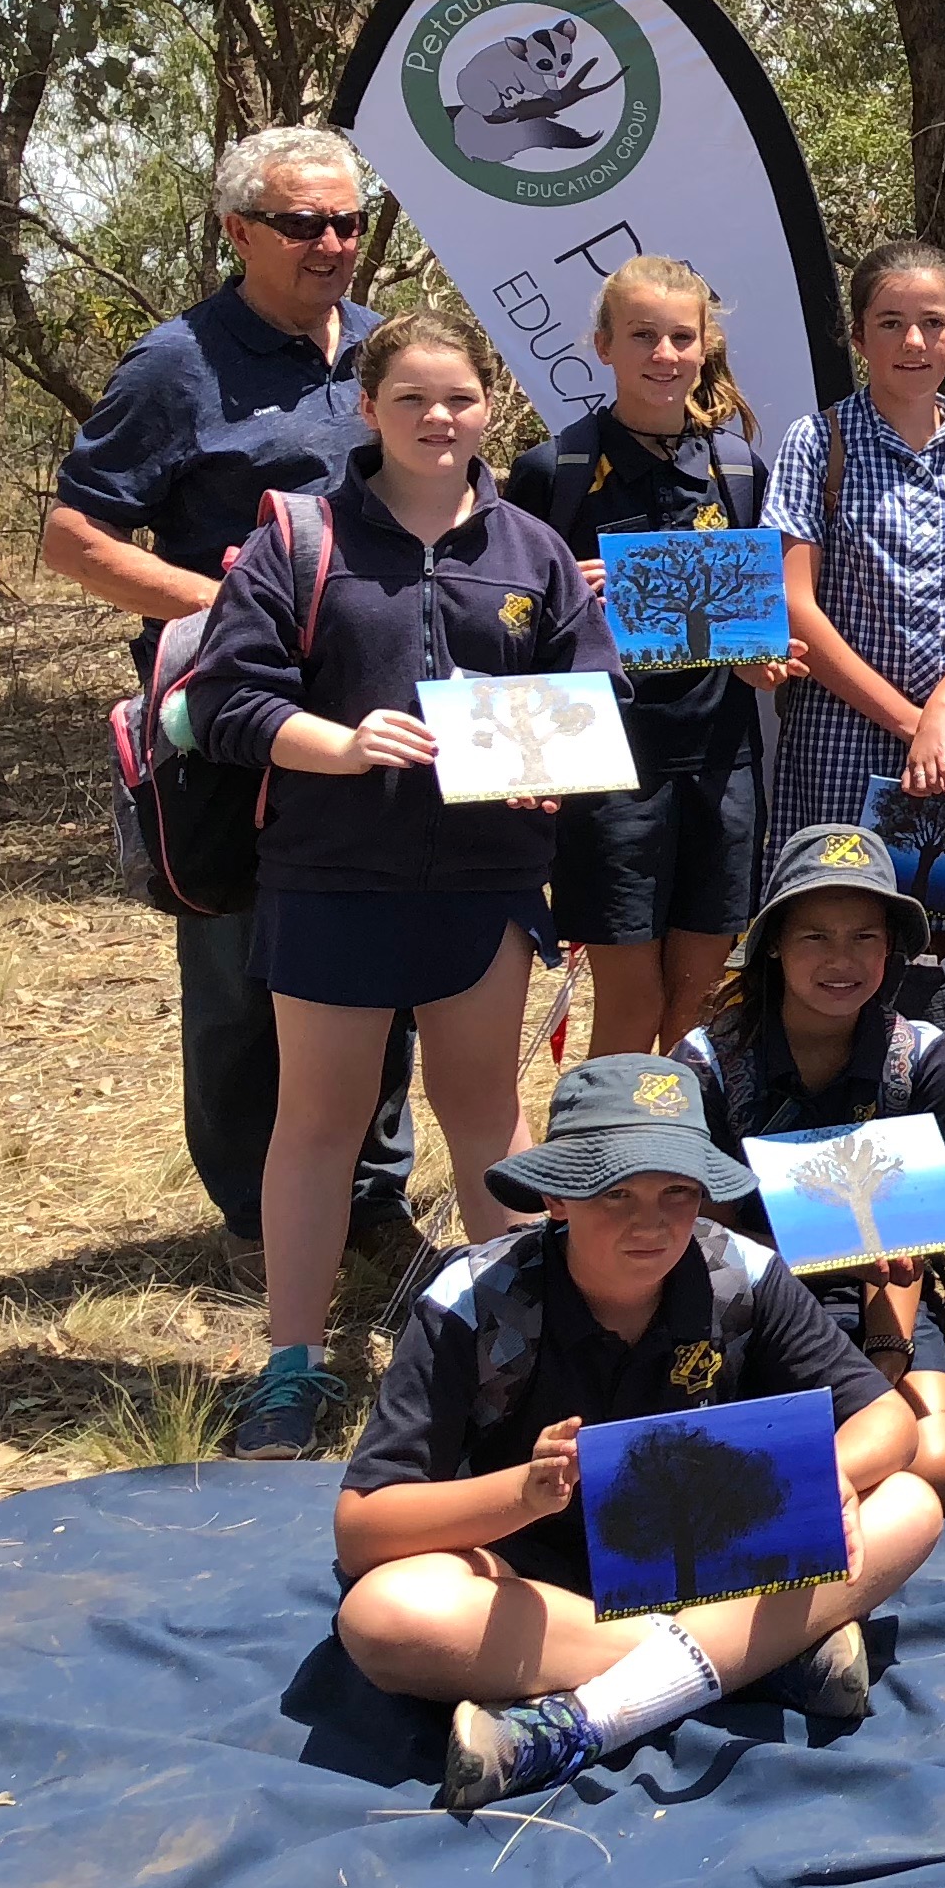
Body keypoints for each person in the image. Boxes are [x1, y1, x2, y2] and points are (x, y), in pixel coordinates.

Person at [192, 313, 614, 1462]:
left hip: (486, 888)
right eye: (413, 399)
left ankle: (514, 1350)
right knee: (319, 1127)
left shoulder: (531, 549)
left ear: (493, 410)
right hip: (333, 878)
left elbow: (591, 696)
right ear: (367, 410)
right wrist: (336, 740)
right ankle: (294, 1367)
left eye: (462, 399)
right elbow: (225, 705)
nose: (440, 419)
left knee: (485, 1118)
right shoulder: (299, 537)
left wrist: (553, 770)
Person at [332, 1055, 945, 1817]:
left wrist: (828, 1477)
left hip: (717, 1558)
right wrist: (520, 1492)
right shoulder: (470, 1300)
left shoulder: (741, 1274)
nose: (650, 1222)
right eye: (614, 1192)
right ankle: (760, 1658)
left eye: (677, 1193)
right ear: (555, 1194)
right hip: (538, 1585)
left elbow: (885, 1419)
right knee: (382, 1616)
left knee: (912, 1503)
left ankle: (585, 1719)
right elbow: (362, 1529)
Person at [40, 126, 413, 1277]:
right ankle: (259, 1214)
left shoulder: (380, 354)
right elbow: (72, 535)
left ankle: (371, 1199)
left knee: (380, 951)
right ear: (239, 230)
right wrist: (239, 605)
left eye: (350, 222)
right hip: (236, 717)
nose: (333, 243)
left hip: (378, 712)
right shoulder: (177, 364)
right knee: (247, 966)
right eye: (304, 224)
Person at [506, 256, 780, 1060]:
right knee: (630, 1002)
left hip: (721, 760)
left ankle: (680, 1173)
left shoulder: (736, 469)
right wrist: (571, 601)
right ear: (602, 345)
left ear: (704, 348)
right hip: (608, 769)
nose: (663, 354)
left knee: (698, 1003)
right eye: (642, 336)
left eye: (680, 337)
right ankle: (600, 1174)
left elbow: (758, 621)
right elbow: (506, 625)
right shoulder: (550, 471)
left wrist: (764, 658)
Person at [673, 827, 945, 1508]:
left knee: (933, 1468)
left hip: (880, 1305)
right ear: (774, 944)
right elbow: (699, 1245)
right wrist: (833, 1253)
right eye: (816, 936)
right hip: (739, 1300)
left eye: (865, 937)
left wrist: (884, 1356)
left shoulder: (923, 1062)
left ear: (892, 949)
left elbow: (908, 1254)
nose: (841, 960)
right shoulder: (704, 1066)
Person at [769, 239, 945, 840]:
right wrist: (912, 722)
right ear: (859, 339)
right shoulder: (818, 443)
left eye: (931, 323)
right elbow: (794, 602)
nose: (913, 342)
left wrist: (942, 710)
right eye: (891, 324)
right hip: (842, 736)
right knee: (841, 922)